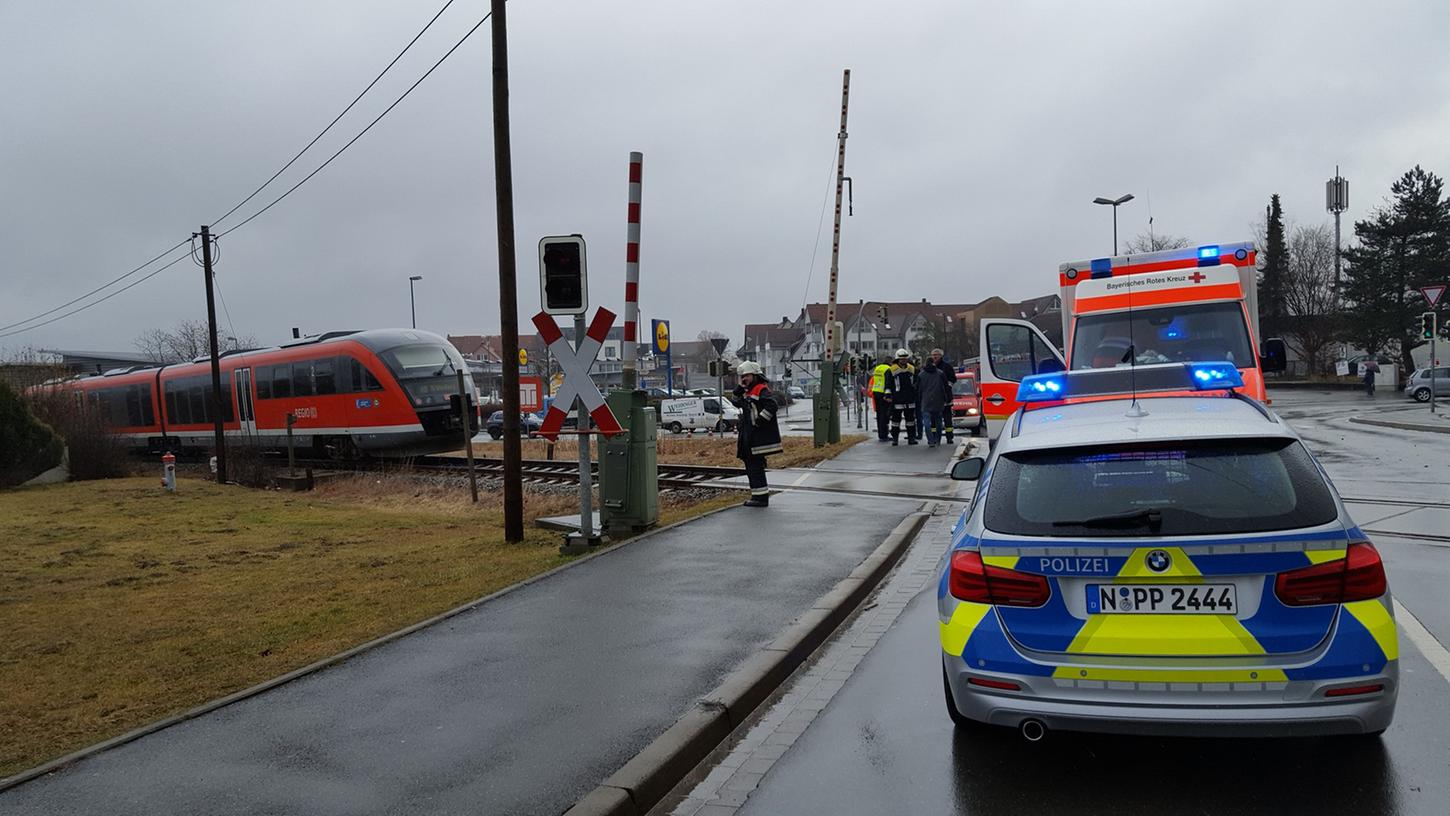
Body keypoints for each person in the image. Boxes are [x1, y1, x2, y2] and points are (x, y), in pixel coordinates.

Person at [730, 361, 783, 507]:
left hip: (756, 437)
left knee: (755, 468)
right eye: (742, 376)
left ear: (754, 375)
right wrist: (739, 388)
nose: (743, 379)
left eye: (746, 375)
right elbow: (735, 401)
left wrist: (759, 422)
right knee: (751, 467)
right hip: (749, 436)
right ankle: (757, 496)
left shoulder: (761, 389)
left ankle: (760, 498)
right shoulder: (748, 391)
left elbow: (772, 406)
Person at [917, 347, 956, 448]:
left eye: (937, 355)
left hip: (943, 397)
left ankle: (949, 437)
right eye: (933, 355)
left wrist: (948, 387)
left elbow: (952, 378)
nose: (935, 357)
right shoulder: (938, 371)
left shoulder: (946, 367)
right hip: (940, 397)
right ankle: (935, 438)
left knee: (947, 419)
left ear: (941, 356)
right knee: (936, 420)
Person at [884, 348, 919, 446]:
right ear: (897, 360)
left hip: (910, 398)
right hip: (897, 399)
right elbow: (888, 384)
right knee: (895, 421)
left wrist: (916, 392)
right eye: (901, 359)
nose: (903, 360)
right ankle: (895, 439)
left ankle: (911, 438)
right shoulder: (891, 370)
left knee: (911, 420)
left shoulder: (912, 369)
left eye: (905, 358)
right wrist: (888, 395)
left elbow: (917, 382)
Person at [871, 359, 891, 441]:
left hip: (876, 392)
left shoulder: (877, 368)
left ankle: (880, 434)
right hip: (883, 393)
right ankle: (884, 435)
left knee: (879, 414)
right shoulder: (888, 369)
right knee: (884, 415)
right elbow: (887, 382)